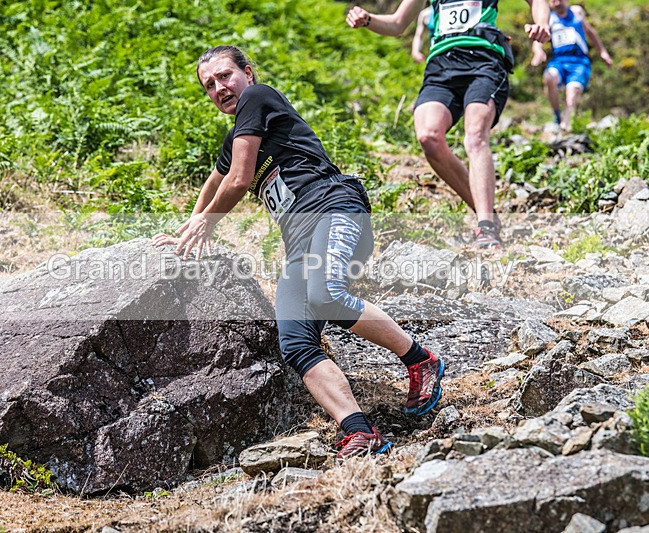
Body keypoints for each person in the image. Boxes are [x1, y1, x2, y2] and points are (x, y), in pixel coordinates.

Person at [152, 46, 445, 460]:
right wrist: (188, 229)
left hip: (335, 210)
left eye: (225, 76)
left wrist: (207, 223)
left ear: (248, 73)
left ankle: (421, 360)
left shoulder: (258, 97)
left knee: (327, 294)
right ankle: (361, 431)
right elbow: (216, 178)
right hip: (299, 244)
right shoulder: (235, 136)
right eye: (209, 85)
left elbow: (237, 181)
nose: (219, 88)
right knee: (294, 341)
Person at [347, 0, 551, 248]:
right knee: (428, 137)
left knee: (475, 135)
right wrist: (368, 19)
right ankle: (487, 211)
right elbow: (397, 24)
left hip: (484, 61)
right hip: (441, 66)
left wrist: (542, 24)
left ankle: (485, 226)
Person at [531, 0, 612, 133]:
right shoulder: (550, 19)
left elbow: (591, 33)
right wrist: (538, 50)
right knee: (549, 77)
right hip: (559, 60)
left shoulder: (576, 13)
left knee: (572, 90)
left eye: (559, 0)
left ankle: (566, 124)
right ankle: (557, 115)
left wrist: (603, 52)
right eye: (552, 1)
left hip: (579, 61)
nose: (556, 3)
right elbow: (539, 38)